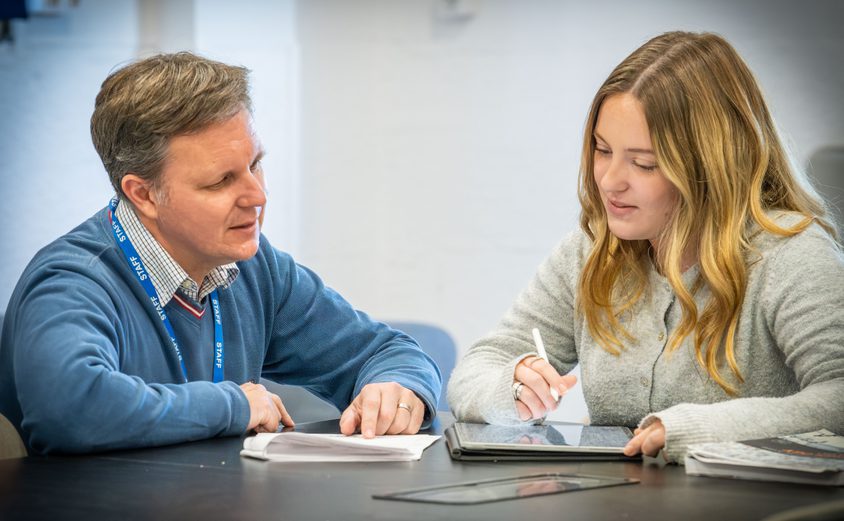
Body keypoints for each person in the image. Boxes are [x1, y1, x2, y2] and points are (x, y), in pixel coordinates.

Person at [0, 52, 441, 454]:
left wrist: (398, 388)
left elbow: (385, 351)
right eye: (220, 181)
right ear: (144, 194)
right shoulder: (73, 281)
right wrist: (234, 404)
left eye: (255, 164)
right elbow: (71, 409)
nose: (257, 195)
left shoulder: (252, 266)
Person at [447, 31, 844, 463]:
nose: (609, 180)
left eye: (644, 163)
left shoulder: (788, 252)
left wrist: (692, 430)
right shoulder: (591, 250)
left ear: (709, 166)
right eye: (602, 150)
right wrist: (514, 385)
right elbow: (479, 366)